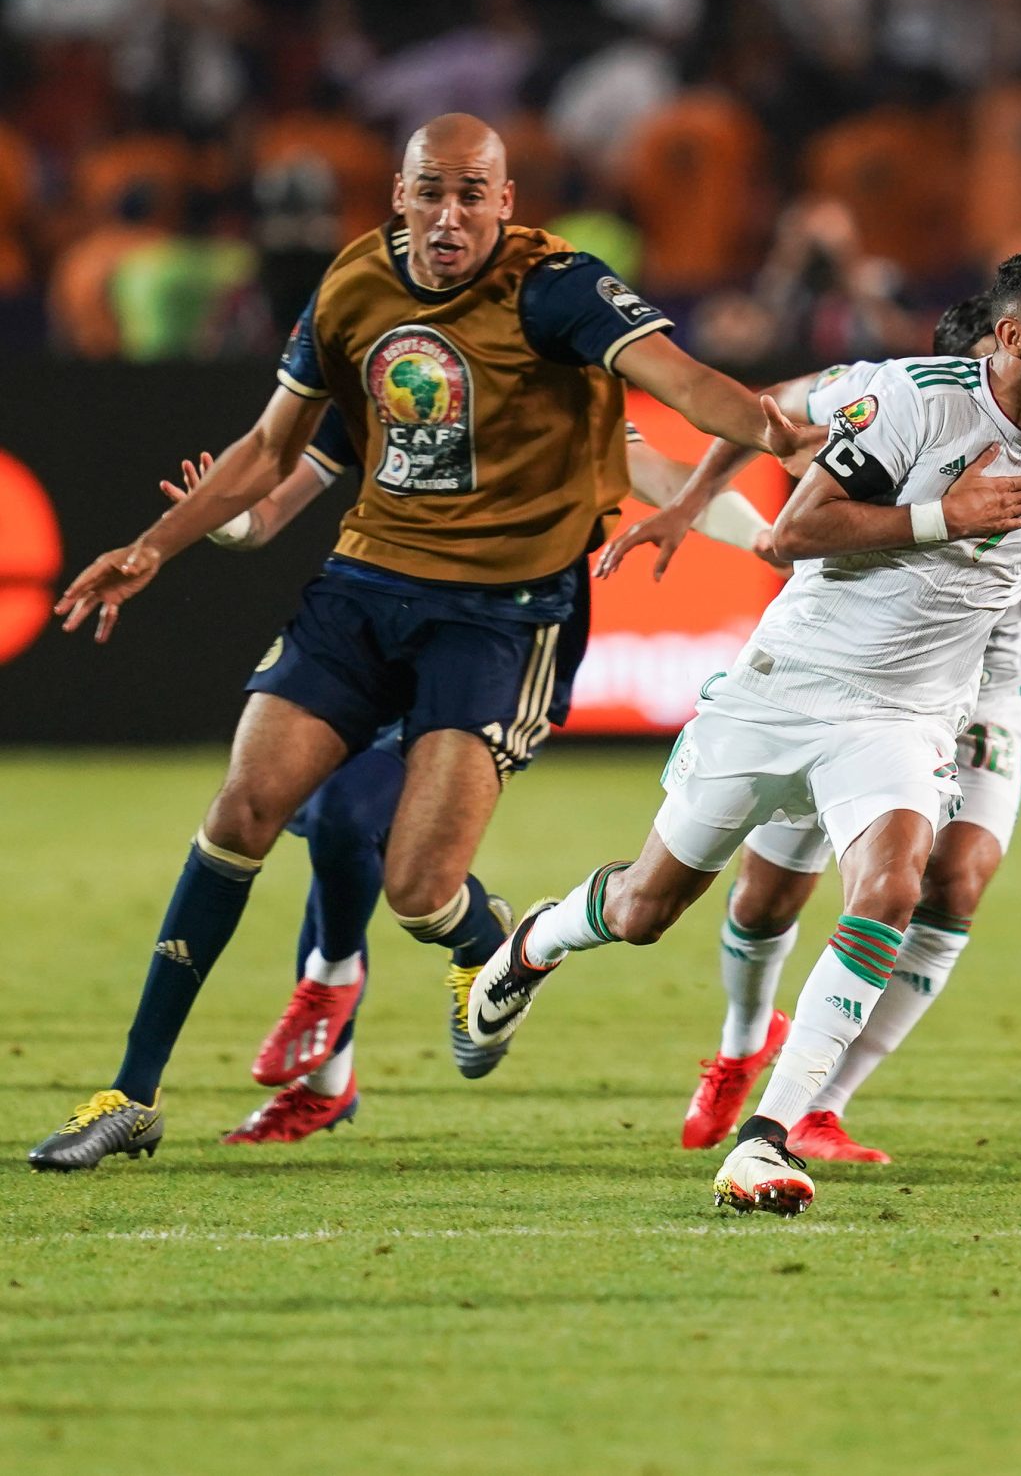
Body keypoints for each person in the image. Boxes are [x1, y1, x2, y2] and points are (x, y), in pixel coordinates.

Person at [464, 243, 1021, 1214]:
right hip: (789, 686)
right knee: (646, 909)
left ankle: (770, 1135)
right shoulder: (908, 399)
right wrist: (945, 514)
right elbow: (791, 534)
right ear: (1012, 335)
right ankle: (533, 946)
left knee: (895, 887)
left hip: (903, 718)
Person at [31, 113, 813, 1172]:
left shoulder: (561, 290)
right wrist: (153, 546)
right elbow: (274, 449)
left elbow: (685, 387)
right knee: (241, 811)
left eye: (472, 194)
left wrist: (782, 428)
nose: (450, 215)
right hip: (364, 589)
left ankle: (476, 941)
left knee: (415, 886)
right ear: (398, 195)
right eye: (429, 191)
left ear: (507, 199)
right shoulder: (355, 288)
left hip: (501, 618)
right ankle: (130, 1091)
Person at [149, 420, 775, 1143]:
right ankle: (328, 1066)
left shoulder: (551, 363)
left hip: (486, 646)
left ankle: (462, 947)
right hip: (379, 618)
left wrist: (763, 538)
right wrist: (231, 519)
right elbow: (294, 469)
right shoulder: (399, 354)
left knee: (356, 828)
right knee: (334, 818)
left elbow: (661, 474)